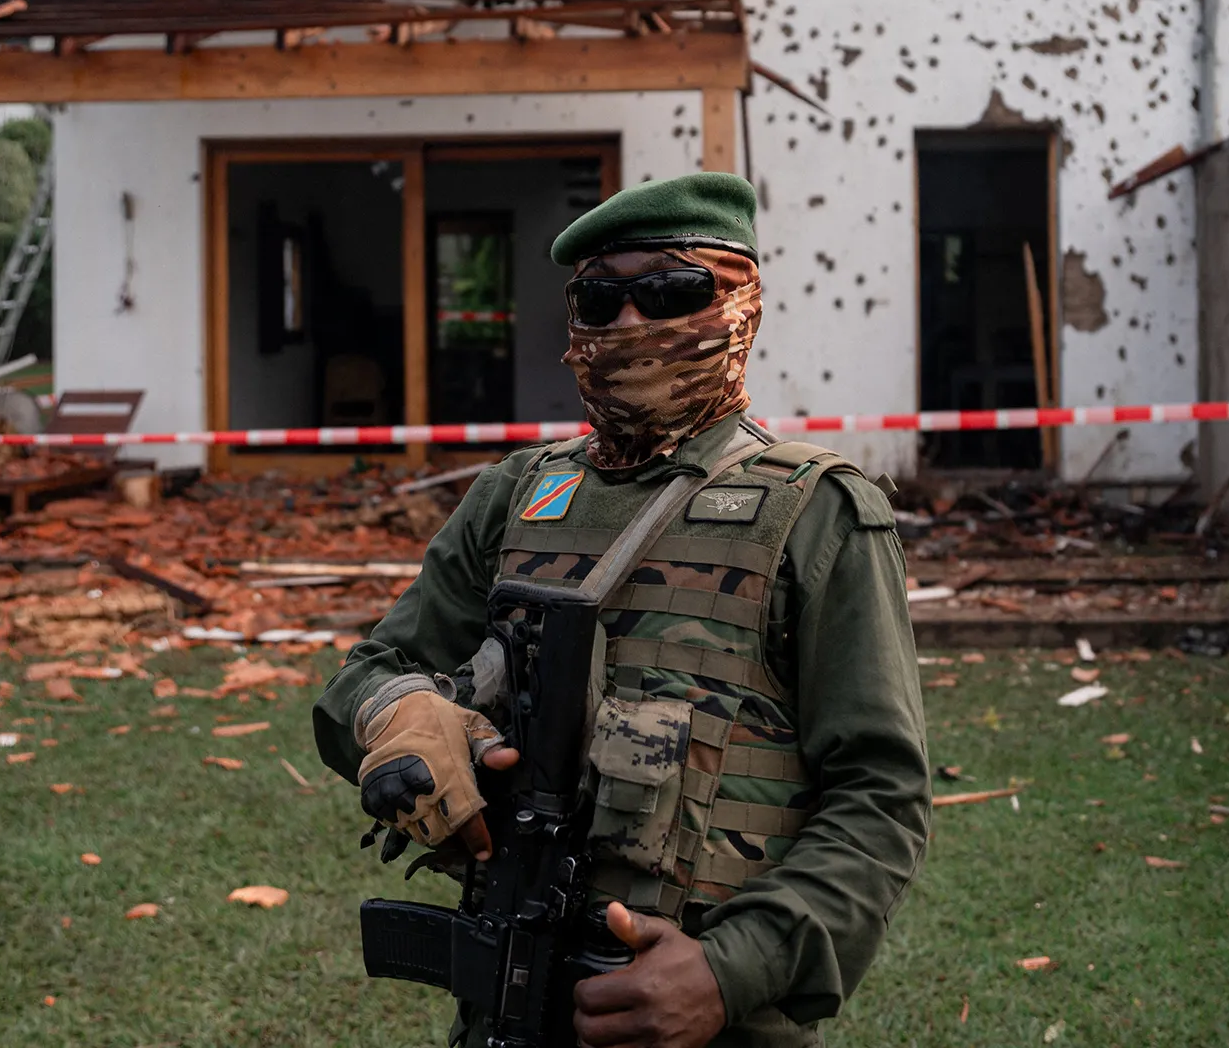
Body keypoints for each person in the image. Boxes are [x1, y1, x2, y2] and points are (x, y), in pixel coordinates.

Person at [316, 172, 930, 1048]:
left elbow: (881, 793)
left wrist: (730, 971)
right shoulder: (514, 497)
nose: (631, 325)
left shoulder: (818, 513)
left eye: (673, 291)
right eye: (600, 301)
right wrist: (401, 716)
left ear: (741, 304)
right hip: (508, 1000)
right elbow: (366, 676)